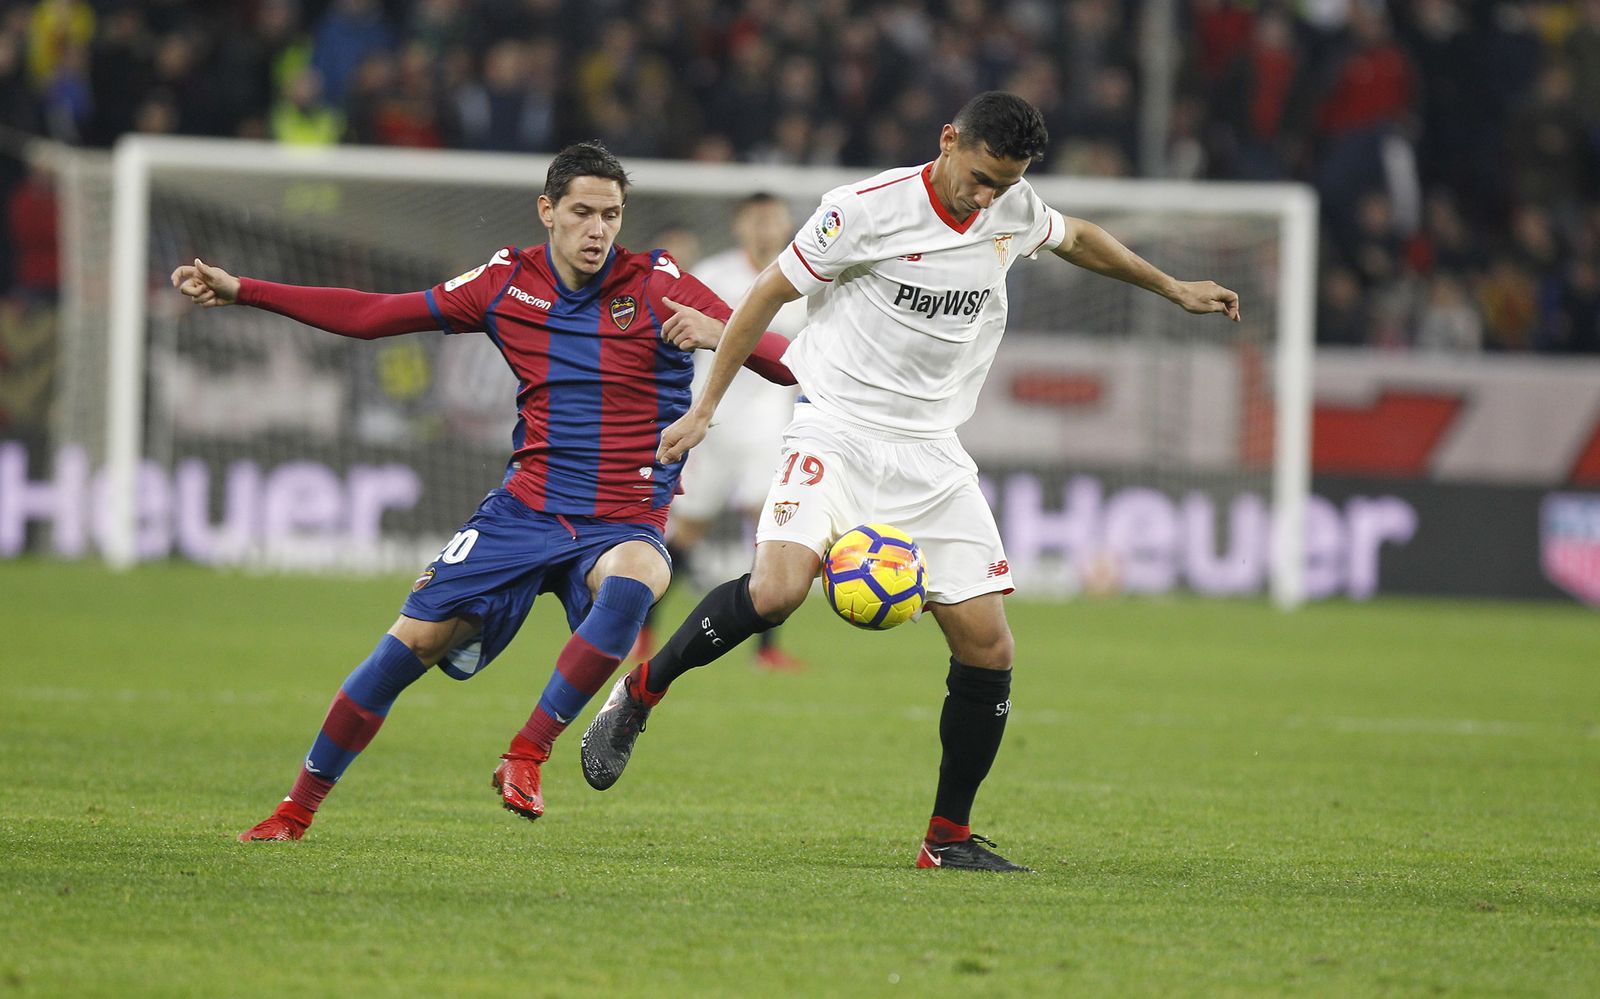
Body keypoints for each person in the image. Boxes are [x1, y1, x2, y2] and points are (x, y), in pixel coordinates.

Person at [579, 93, 1240, 872]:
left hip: (930, 451)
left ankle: (947, 838)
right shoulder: (861, 211)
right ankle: (640, 693)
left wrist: (1173, 287)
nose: (989, 196)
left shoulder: (1011, 206)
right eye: (982, 176)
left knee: (989, 645)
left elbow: (1079, 237)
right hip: (835, 426)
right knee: (777, 591)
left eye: (1006, 183)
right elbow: (766, 294)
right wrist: (705, 409)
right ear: (948, 140)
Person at [170, 141, 796, 841]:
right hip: (524, 511)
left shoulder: (657, 283)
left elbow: (787, 360)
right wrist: (245, 290)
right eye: (582, 213)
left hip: (622, 517)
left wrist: (720, 331)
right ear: (547, 211)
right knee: (409, 645)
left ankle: (527, 752)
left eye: (611, 215)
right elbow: (375, 314)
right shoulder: (507, 282)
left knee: (641, 577)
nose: (598, 230)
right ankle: (294, 811)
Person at [635, 192, 808, 671]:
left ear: (787, 225)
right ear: (739, 226)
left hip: (770, 427)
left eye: (773, 219)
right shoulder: (713, 275)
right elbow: (671, 334)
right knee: (686, 532)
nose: (765, 228)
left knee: (770, 531)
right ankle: (642, 634)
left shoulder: (805, 278)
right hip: (709, 421)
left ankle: (766, 650)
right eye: (756, 220)